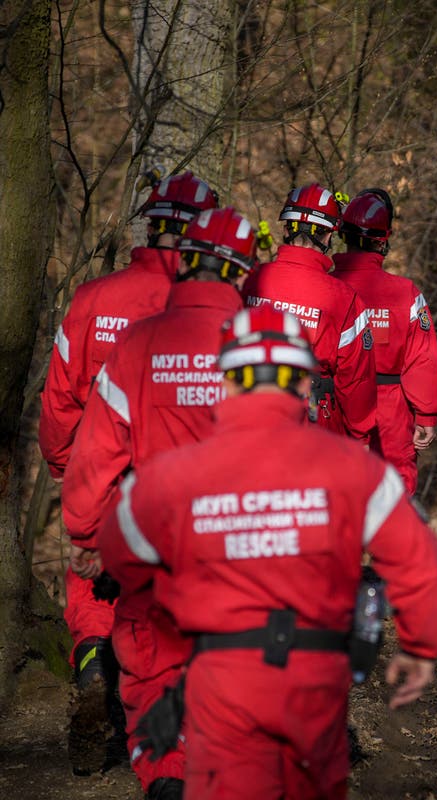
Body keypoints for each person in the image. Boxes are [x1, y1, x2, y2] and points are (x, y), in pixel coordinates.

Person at [97, 305, 437, 800]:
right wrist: (421, 645)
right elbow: (418, 559)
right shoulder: (353, 468)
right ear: (305, 386)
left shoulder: (168, 477)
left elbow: (119, 554)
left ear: (225, 384)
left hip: (220, 676)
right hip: (316, 676)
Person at [62, 207, 255, 800]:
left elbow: (97, 449)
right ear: (241, 272)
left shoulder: (138, 343)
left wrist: (86, 530)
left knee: (150, 660)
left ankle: (165, 776)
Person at [38, 171, 217, 774]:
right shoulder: (208, 313)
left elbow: (61, 397)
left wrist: (68, 467)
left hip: (104, 476)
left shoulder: (92, 300)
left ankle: (94, 666)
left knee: (92, 589)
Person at [242, 183, 376, 444]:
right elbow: (356, 380)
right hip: (312, 424)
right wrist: (360, 436)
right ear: (328, 237)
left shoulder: (249, 280)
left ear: (285, 229)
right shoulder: (344, 298)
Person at [331, 188, 437, 493]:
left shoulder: (325, 287)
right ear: (384, 239)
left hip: (334, 403)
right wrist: (427, 414)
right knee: (394, 499)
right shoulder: (404, 293)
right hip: (390, 410)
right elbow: (423, 359)